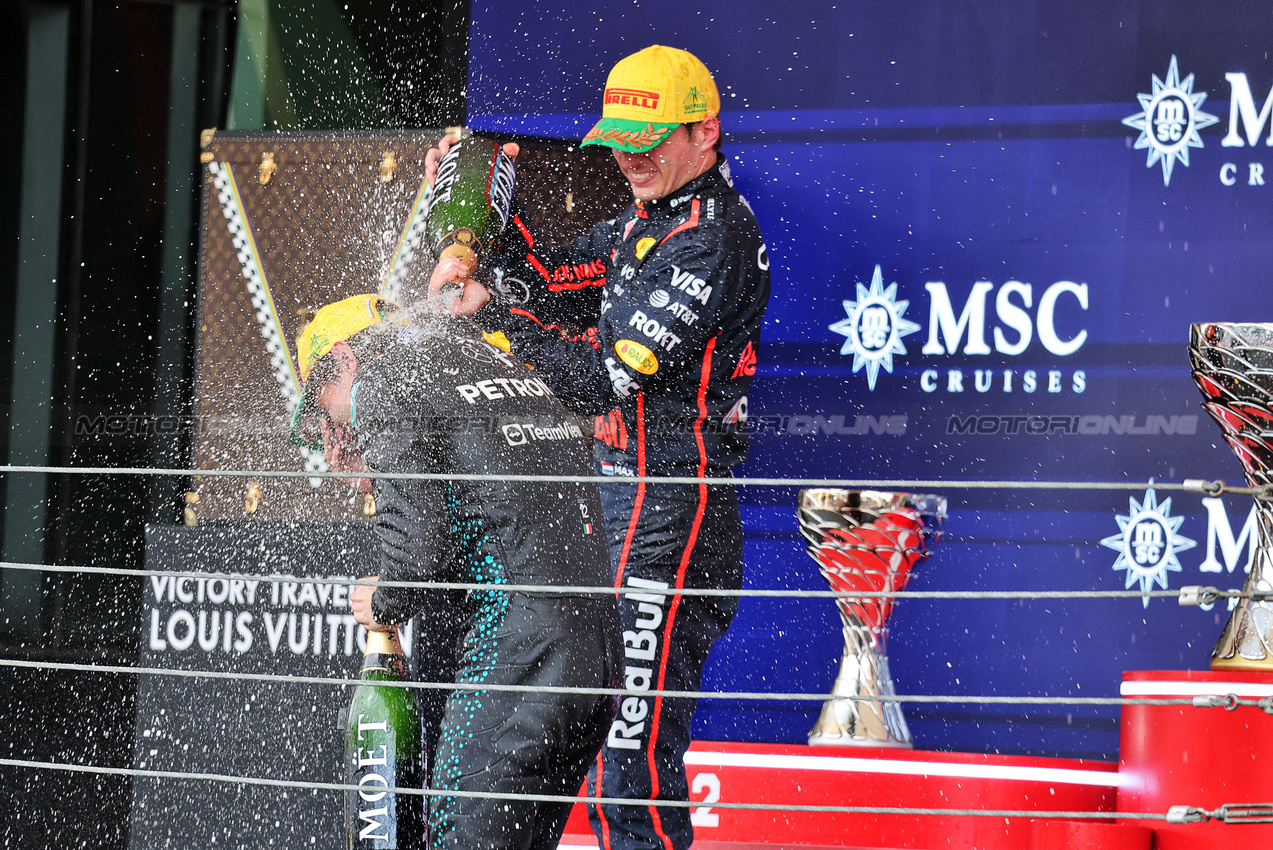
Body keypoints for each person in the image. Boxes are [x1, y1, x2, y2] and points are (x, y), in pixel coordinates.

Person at [426, 44, 771, 850]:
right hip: (615, 503)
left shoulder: (708, 239)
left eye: (649, 139)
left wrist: (490, 320)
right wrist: (481, 202)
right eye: (618, 137)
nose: (629, 156)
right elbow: (549, 277)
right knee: (569, 730)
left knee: (632, 758)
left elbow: (601, 381)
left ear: (705, 131)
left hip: (672, 514)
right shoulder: (644, 220)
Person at [288, 292, 621, 850]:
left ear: (344, 358)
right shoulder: (476, 356)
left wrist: (382, 597)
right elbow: (485, 483)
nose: (330, 424)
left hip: (523, 653)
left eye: (322, 405)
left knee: (456, 834)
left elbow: (417, 556)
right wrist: (380, 468)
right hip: (597, 654)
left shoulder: (382, 380)